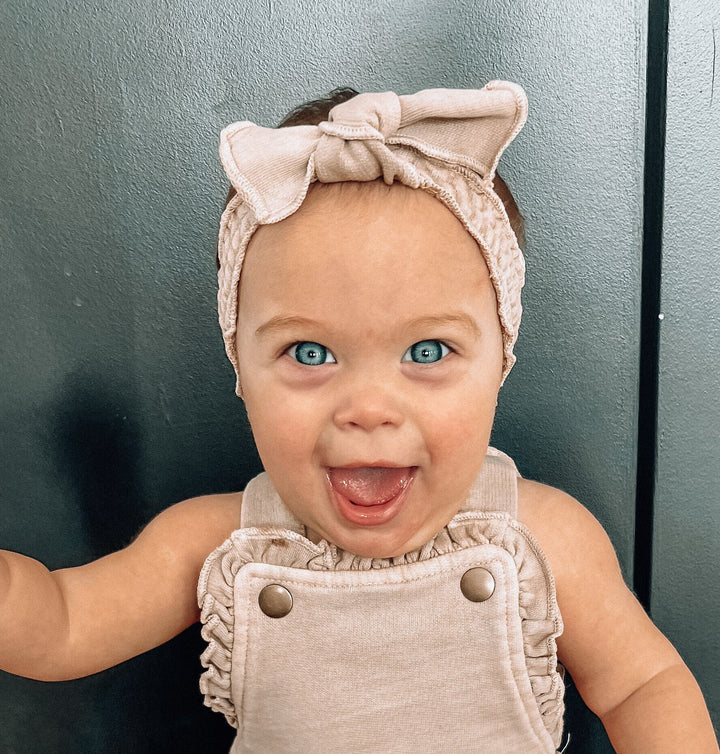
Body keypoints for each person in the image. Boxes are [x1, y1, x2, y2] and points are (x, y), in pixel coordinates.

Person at [0, 81, 717, 753]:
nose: (368, 409)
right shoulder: (216, 543)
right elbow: (62, 623)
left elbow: (641, 685)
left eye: (427, 349)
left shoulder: (544, 537)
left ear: (501, 361)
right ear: (239, 368)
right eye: (309, 352)